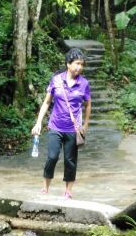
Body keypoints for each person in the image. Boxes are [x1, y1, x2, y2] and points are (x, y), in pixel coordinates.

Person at [31, 47, 91, 199]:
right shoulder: (56, 80)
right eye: (77, 63)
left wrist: (85, 125)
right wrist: (38, 122)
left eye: (82, 64)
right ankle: (45, 187)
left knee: (70, 160)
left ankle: (68, 191)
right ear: (68, 64)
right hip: (55, 126)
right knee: (52, 156)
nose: (80, 67)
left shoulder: (84, 84)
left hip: (73, 129)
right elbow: (46, 103)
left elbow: (88, 104)